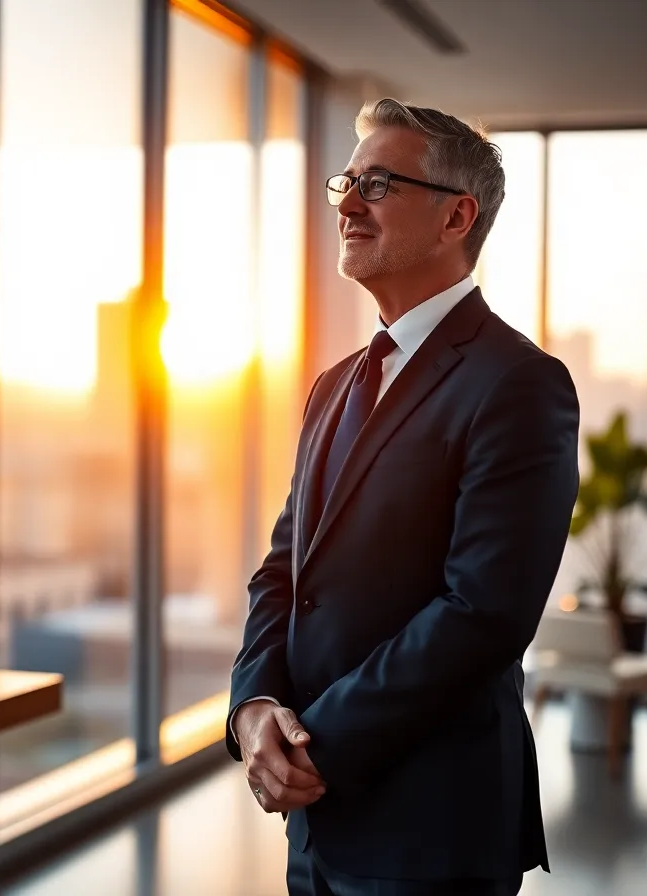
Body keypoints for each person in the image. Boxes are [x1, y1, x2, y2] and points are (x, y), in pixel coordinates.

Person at [226, 98, 580, 896]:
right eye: (346, 180)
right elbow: (284, 572)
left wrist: (316, 742)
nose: (347, 202)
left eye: (378, 183)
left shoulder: (519, 384)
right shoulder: (333, 383)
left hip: (433, 821)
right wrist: (254, 706)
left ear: (459, 216)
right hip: (317, 821)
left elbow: (482, 613)